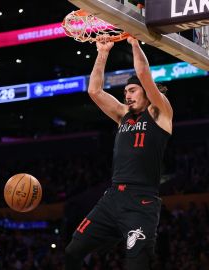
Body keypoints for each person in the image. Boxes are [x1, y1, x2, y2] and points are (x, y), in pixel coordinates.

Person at [65, 35, 173, 269]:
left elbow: (144, 74)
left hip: (141, 201)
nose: (127, 95)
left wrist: (135, 43)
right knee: (72, 251)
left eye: (133, 90)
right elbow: (94, 91)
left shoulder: (160, 112)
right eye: (125, 91)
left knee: (137, 265)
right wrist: (102, 53)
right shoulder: (123, 115)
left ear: (146, 91)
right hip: (113, 197)